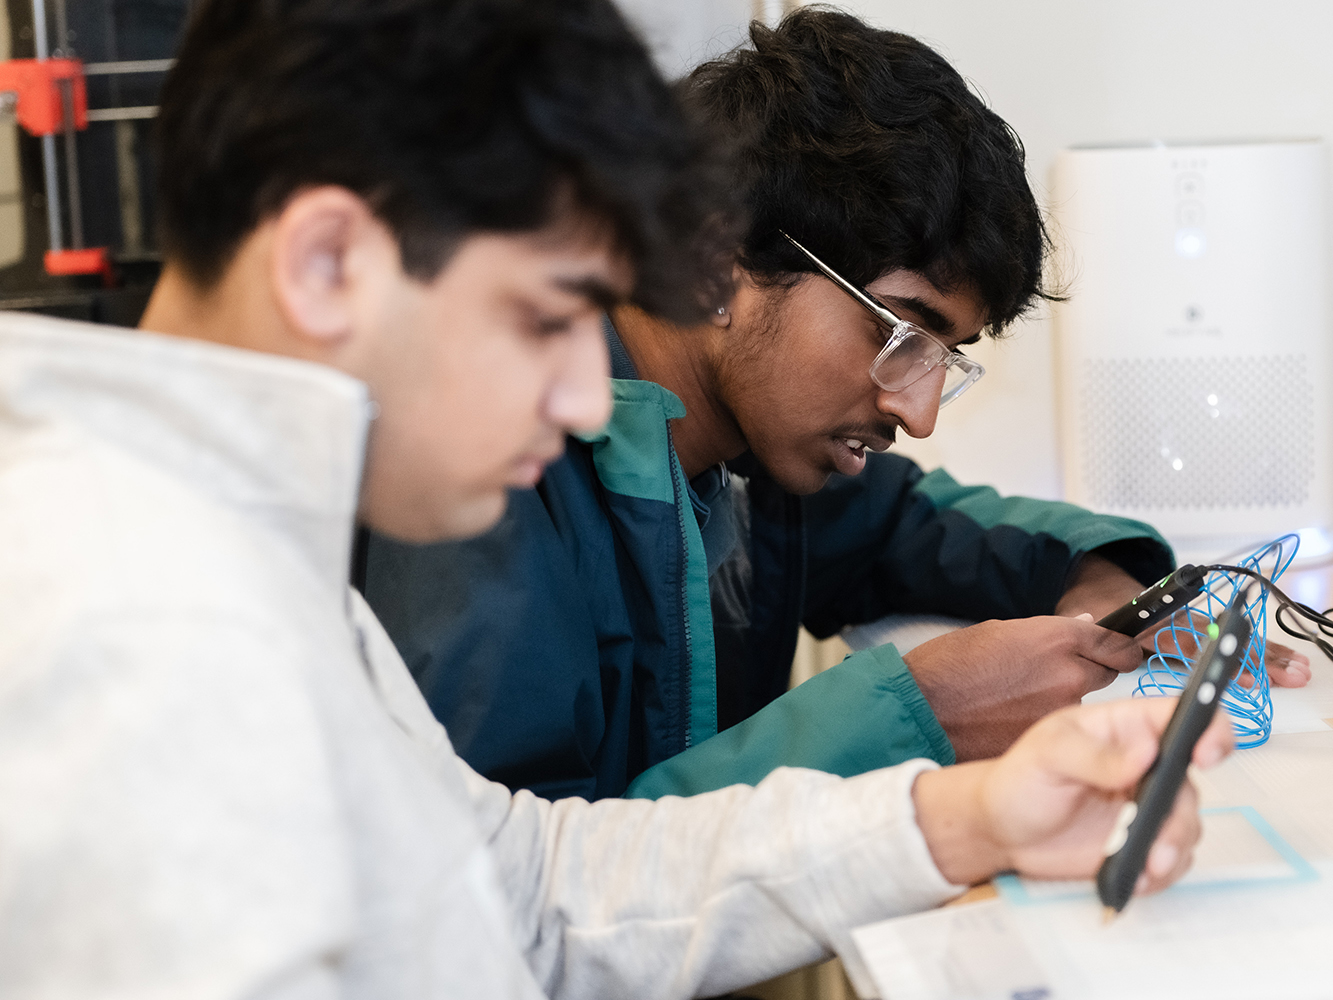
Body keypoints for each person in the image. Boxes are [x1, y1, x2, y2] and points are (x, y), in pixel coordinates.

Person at [0, 0, 1236, 996]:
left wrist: (967, 814)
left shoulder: (230, 543)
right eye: (544, 317)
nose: (588, 398)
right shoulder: (137, 621)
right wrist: (913, 730)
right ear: (327, 263)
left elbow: (517, 894)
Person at [359, 7, 1311, 802]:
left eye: (946, 358)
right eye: (902, 334)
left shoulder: (751, 456)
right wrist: (914, 716)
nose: (922, 411)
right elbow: (523, 889)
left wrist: (1111, 585)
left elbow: (908, 521)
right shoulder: (485, 477)